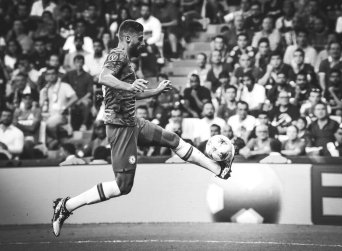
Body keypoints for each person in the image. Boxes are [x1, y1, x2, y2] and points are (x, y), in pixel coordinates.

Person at [51, 20, 235, 237]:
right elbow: (104, 77)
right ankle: (66, 206)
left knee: (172, 139)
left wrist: (154, 92)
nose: (144, 43)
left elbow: (131, 92)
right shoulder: (117, 55)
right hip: (121, 128)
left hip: (132, 122)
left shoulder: (126, 61)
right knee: (123, 186)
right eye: (141, 39)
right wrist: (130, 86)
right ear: (128, 38)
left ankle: (218, 169)